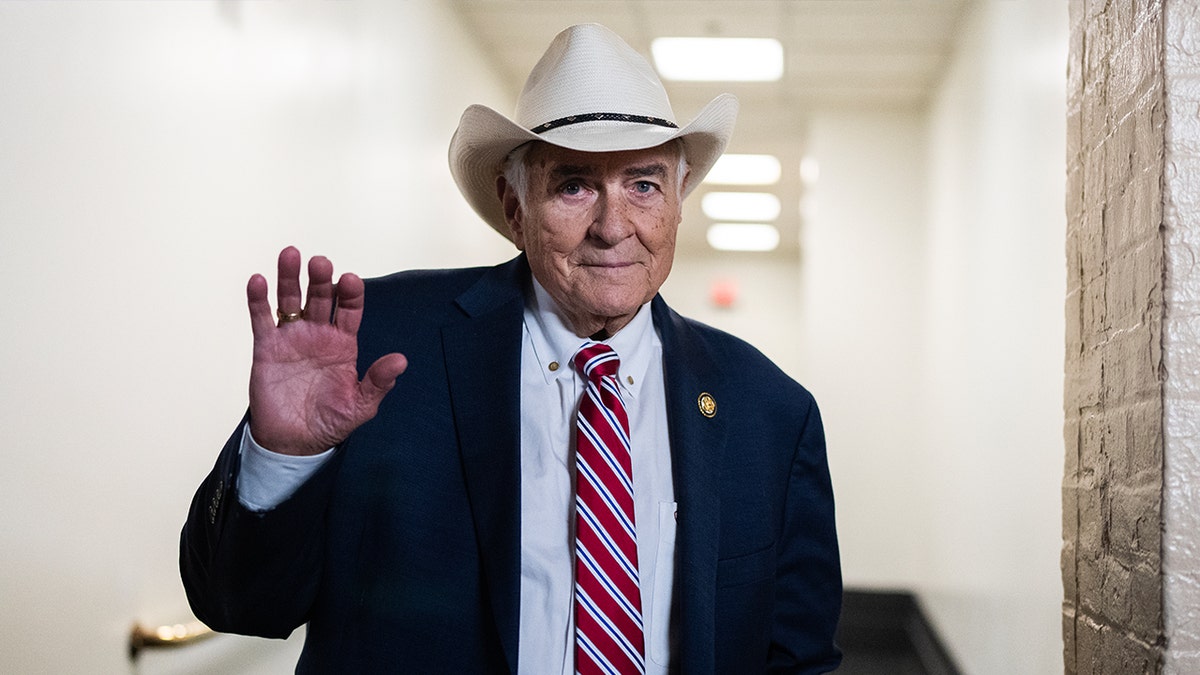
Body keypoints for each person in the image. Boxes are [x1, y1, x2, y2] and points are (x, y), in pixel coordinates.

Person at [180, 23, 841, 674]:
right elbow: (240, 604)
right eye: (573, 185)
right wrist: (285, 458)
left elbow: (798, 657)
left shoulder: (771, 413)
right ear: (513, 204)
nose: (614, 227)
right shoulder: (377, 350)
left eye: (643, 184)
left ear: (676, 199)